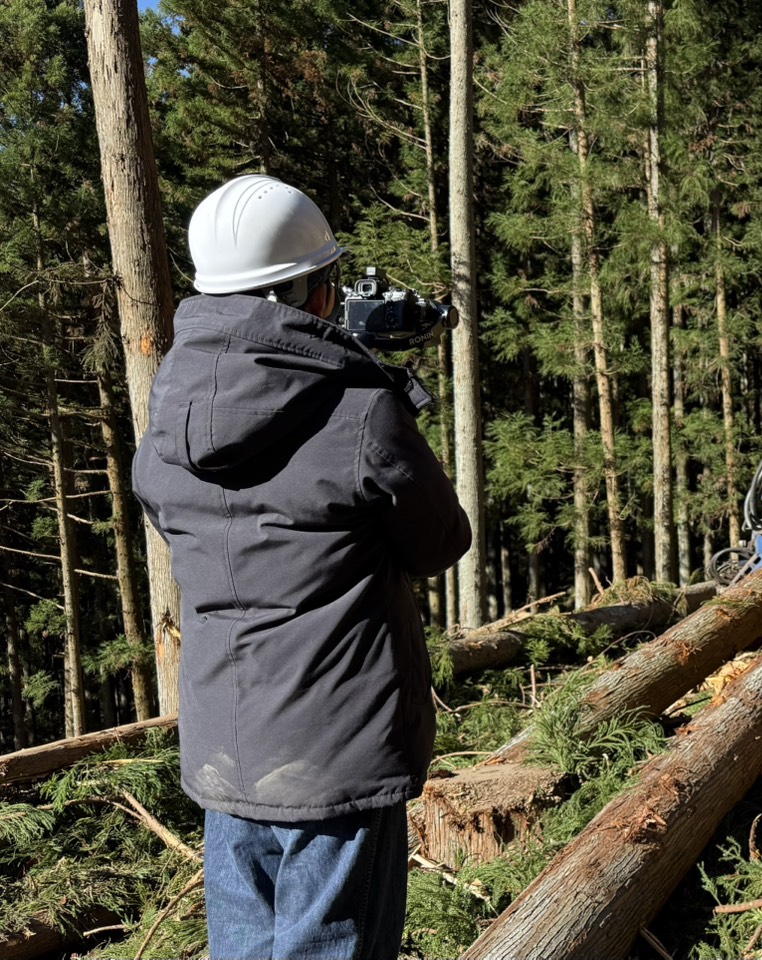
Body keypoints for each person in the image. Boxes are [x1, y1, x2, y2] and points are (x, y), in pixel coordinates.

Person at [133, 174, 470, 960]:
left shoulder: (168, 414)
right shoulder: (360, 410)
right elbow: (439, 542)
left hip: (225, 748)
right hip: (337, 752)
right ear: (307, 292)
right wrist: (376, 388)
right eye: (328, 281)